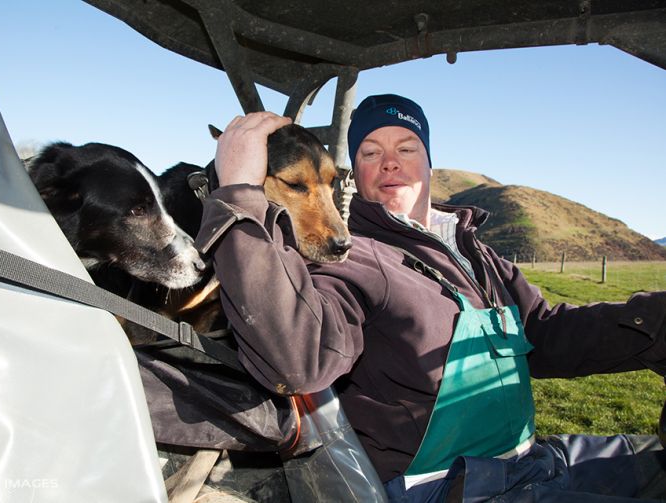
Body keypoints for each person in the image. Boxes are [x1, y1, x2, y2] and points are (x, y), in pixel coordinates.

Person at [193, 95, 666, 501]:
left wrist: (655, 322)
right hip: (451, 488)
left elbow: (543, 330)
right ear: (356, 172)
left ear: (429, 162)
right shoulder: (351, 261)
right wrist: (238, 193)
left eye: (406, 147)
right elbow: (299, 360)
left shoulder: (471, 250)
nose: (390, 161)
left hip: (531, 458)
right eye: (371, 152)